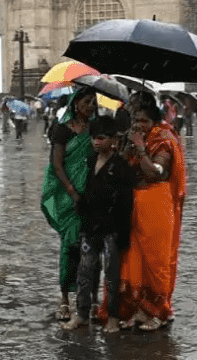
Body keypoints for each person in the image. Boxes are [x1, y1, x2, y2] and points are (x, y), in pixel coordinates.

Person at [102, 95, 184, 332]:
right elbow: (125, 168)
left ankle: (161, 311)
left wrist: (140, 149)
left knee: (156, 261)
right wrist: (128, 147)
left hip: (157, 204)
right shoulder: (139, 137)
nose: (140, 125)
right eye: (136, 120)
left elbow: (155, 173)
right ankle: (142, 307)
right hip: (136, 204)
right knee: (136, 259)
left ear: (155, 121)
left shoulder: (165, 140)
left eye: (144, 121)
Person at [62, 115, 136, 332]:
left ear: (113, 140)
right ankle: (82, 313)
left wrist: (122, 232)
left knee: (112, 275)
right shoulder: (91, 161)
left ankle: (113, 317)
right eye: (94, 138)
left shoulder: (121, 167)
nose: (96, 142)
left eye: (101, 138)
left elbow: (126, 203)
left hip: (111, 229)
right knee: (85, 272)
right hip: (90, 227)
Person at [41, 87, 97, 322]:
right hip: (69, 196)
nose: (91, 106)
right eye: (86, 102)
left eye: (94, 102)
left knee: (94, 248)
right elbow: (57, 165)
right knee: (71, 246)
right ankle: (64, 297)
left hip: (92, 195)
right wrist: (73, 192)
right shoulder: (62, 130)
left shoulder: (96, 129)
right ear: (75, 104)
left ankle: (91, 298)